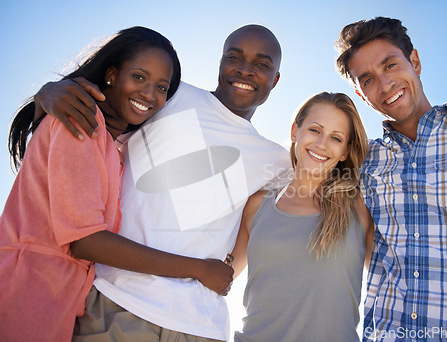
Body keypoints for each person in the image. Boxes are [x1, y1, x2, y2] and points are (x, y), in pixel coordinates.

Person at [33, 25, 291, 341]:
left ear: (275, 80)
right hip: (118, 301)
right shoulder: (171, 94)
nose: (245, 69)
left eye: (262, 65)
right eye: (234, 57)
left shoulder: (277, 160)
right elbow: (100, 98)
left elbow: (268, 222)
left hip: (200, 323)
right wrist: (48, 92)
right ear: (221, 62)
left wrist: (229, 270)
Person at [0, 26, 234, 341]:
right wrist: (199, 269)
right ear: (111, 74)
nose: (150, 95)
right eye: (139, 77)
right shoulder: (81, 120)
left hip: (63, 295)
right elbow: (86, 240)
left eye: (162, 87)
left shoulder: (113, 142)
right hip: (28, 288)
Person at [335, 17, 447, 341]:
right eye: (368, 80)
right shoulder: (361, 160)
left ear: (415, 61)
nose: (384, 85)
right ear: (360, 93)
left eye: (391, 65)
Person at [230, 92, 374, 341]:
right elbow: (223, 275)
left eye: (336, 138)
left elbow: (391, 282)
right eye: (315, 130)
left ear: (344, 151)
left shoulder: (360, 207)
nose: (322, 144)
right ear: (295, 131)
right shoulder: (258, 204)